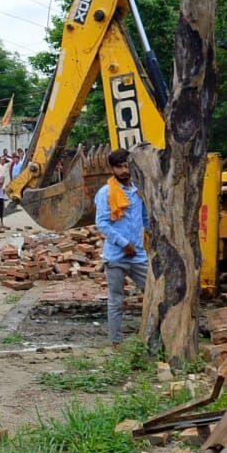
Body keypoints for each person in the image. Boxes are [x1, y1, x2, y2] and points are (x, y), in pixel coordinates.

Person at [94, 148, 149, 347]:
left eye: (127, 166)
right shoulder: (106, 193)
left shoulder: (138, 190)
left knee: (152, 292)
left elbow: (145, 218)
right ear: (112, 169)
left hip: (138, 255)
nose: (124, 170)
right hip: (116, 256)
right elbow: (102, 223)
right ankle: (116, 342)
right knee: (116, 300)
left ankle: (151, 337)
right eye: (120, 167)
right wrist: (124, 244)